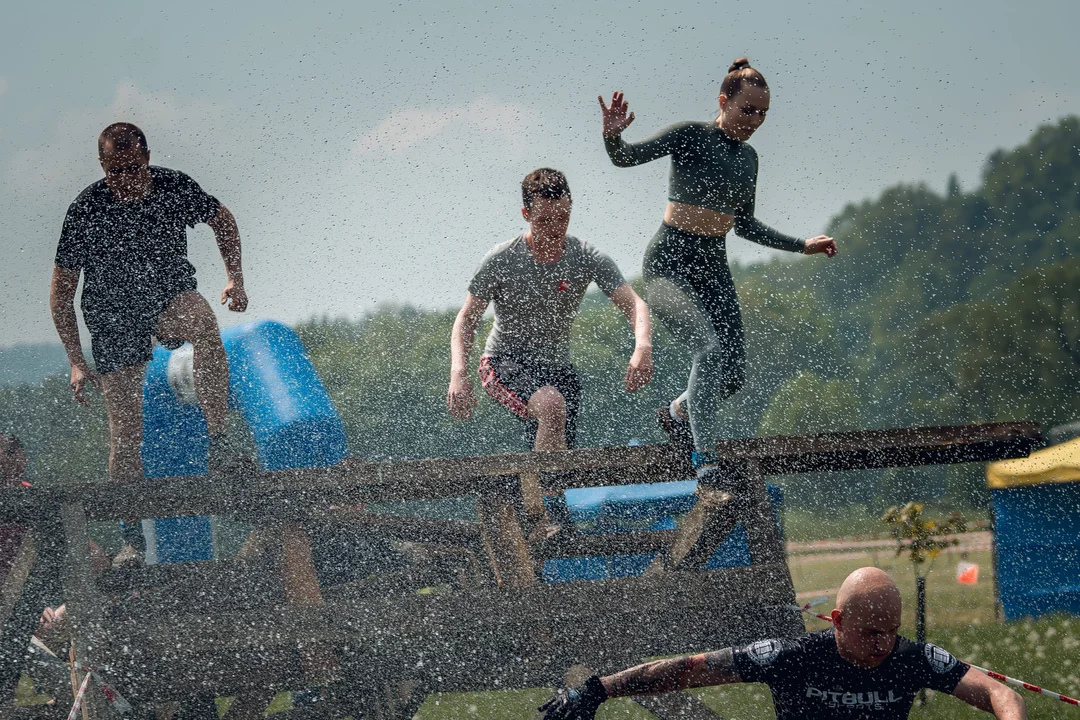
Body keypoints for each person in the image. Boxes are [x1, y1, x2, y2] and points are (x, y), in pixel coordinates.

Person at [599, 58, 838, 481]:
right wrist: (613, 135)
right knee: (707, 352)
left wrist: (801, 245)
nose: (755, 120)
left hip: (712, 268)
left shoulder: (749, 158)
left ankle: (677, 413)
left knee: (731, 376)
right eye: (747, 110)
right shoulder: (691, 136)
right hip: (669, 264)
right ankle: (705, 463)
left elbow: (743, 224)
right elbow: (625, 159)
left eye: (763, 113)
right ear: (724, 101)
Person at [50, 123, 248, 562]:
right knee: (125, 433)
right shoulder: (86, 209)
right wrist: (75, 359)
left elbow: (224, 220)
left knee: (203, 318)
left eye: (135, 169)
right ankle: (131, 539)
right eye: (116, 171)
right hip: (112, 316)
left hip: (167, 295)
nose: (127, 180)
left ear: (148, 158)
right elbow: (61, 292)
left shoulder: (174, 187)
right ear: (102, 166)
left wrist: (234, 276)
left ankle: (219, 442)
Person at [540, 567, 1026, 719]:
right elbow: (688, 668)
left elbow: (1001, 694)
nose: (883, 644)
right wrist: (598, 689)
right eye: (870, 632)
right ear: (836, 620)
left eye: (891, 631)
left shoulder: (912, 659)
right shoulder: (791, 657)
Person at [447, 168, 653, 452]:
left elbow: (635, 305)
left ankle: (533, 495)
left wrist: (643, 347)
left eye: (563, 218)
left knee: (559, 457)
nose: (555, 228)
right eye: (544, 220)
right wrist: (459, 373)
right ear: (526, 214)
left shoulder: (586, 256)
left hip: (559, 369)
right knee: (552, 407)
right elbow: (467, 319)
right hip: (504, 363)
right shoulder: (502, 259)